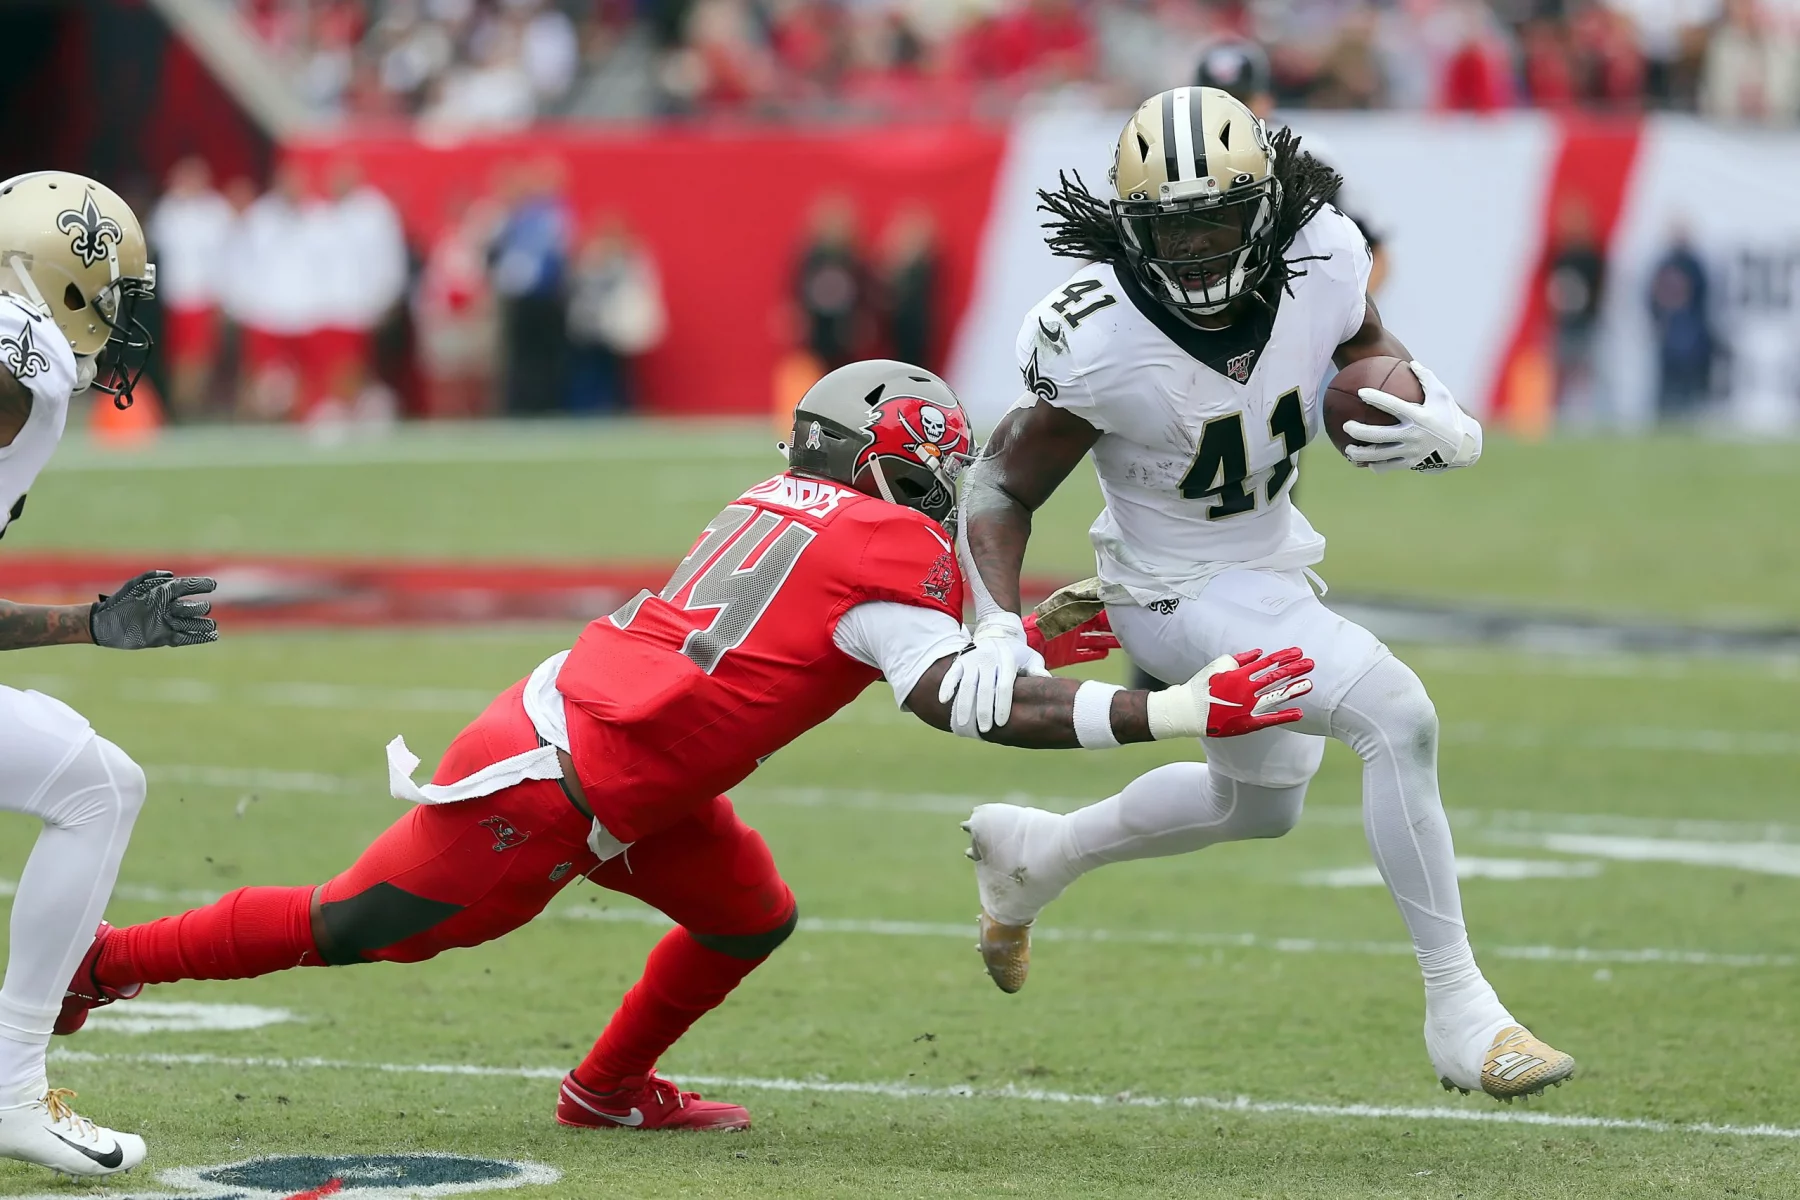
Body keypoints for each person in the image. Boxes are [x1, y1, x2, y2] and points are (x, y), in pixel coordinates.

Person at [56, 360, 1312, 1133]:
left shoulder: (784, 504)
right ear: (895, 465)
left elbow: (825, 640)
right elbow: (958, 700)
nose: (946, 491)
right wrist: (1178, 711)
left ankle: (605, 1090)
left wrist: (1025, 635)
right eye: (933, 468)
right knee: (356, 924)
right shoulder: (887, 551)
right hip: (556, 780)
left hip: (629, 753)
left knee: (747, 915)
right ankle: (99, 964)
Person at [943, 88, 1576, 1103]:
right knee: (1396, 713)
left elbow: (1367, 349)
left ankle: (1037, 854)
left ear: (1267, 206)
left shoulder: (1323, 250)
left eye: (1219, 220)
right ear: (1130, 227)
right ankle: (1463, 1010)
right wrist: (995, 621)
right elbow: (1002, 484)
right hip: (1167, 587)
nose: (1197, 250)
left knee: (1258, 804)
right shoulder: (1097, 333)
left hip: (1269, 567)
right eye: (1172, 228)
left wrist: (1437, 410)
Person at [0, 172, 220, 1176]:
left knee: (100, 782)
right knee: (96, 789)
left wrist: (87, 623)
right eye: (109, 287)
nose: (120, 317)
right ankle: (9, 1093)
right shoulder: (26, 359)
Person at [145, 157, 234, 420]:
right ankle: (180, 407)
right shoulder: (168, 210)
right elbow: (155, 244)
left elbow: (226, 257)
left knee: (201, 357)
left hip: (204, 296)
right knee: (177, 358)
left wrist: (223, 297)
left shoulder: (216, 211)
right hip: (175, 298)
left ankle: (194, 405)